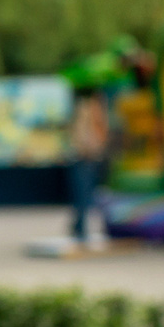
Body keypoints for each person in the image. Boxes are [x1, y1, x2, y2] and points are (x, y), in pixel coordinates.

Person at [66, 84, 112, 245]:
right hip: (86, 157)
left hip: (93, 156)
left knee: (91, 194)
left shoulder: (95, 109)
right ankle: (80, 227)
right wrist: (86, 150)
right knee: (84, 194)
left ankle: (81, 226)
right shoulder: (86, 109)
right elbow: (83, 134)